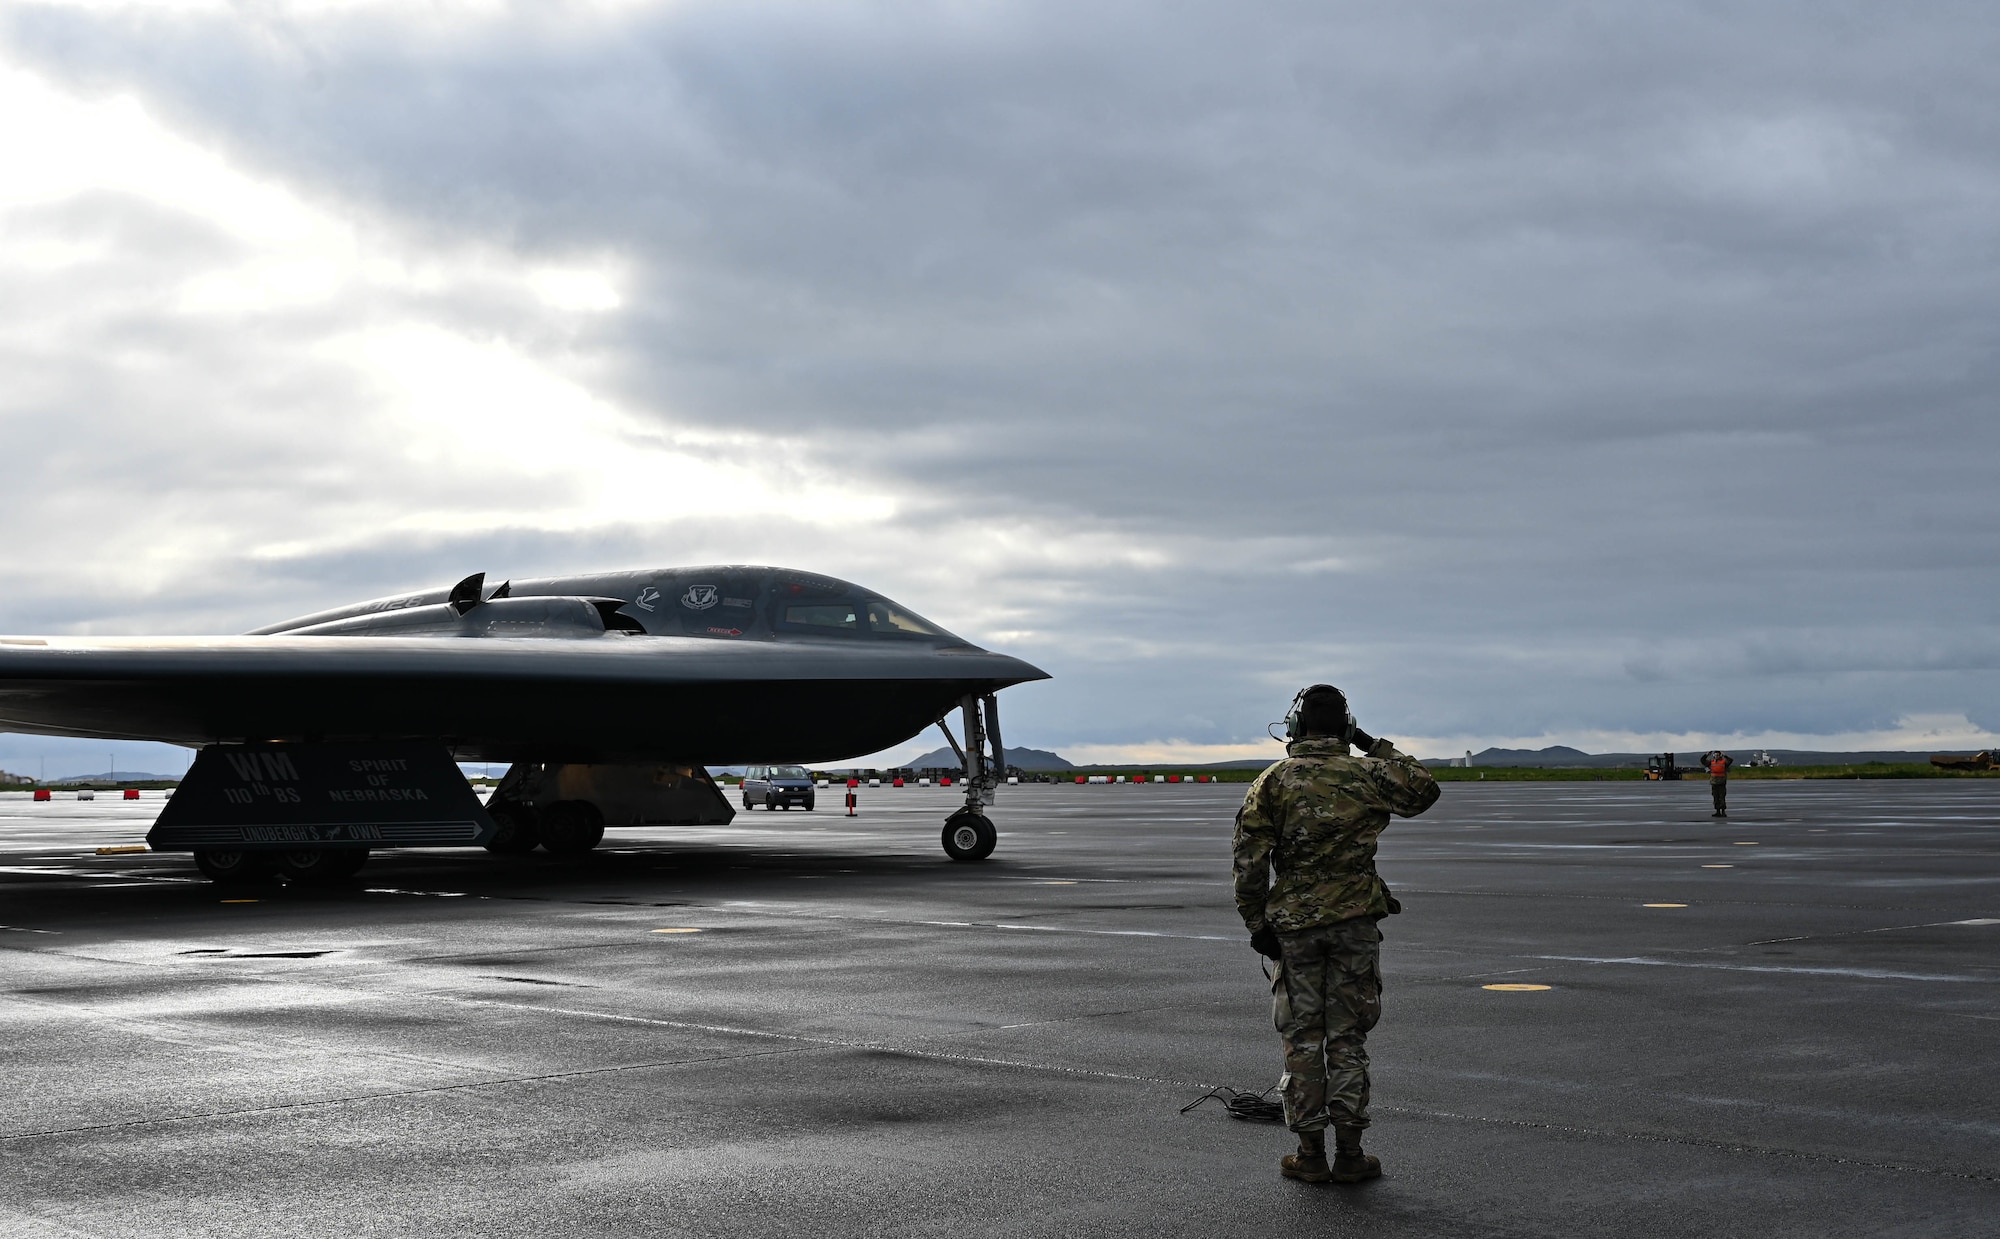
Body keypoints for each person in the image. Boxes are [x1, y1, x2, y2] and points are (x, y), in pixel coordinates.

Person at [1232, 685, 1440, 1184]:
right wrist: (1370, 743)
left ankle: (1309, 1154)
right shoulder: (1368, 775)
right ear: (1345, 728)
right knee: (1347, 1038)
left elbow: (1249, 860)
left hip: (1296, 928)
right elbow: (1424, 789)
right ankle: (1350, 1153)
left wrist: (1256, 923)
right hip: (1353, 924)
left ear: (1296, 727)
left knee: (1303, 1038)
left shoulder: (1273, 781)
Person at [1706, 750, 1734, 817]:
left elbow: (1730, 760)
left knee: (1722, 797)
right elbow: (1702, 760)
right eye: (1715, 755)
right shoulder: (1711, 762)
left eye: (1718, 755)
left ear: (1720, 755)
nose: (1717, 756)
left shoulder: (1724, 762)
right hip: (1714, 782)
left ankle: (1723, 812)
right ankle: (1717, 811)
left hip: (1721, 782)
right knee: (1715, 797)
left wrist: (1725, 756)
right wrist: (1706, 755)